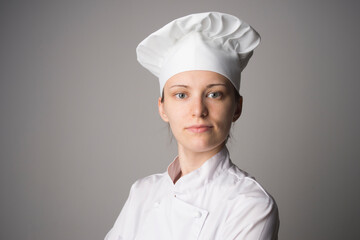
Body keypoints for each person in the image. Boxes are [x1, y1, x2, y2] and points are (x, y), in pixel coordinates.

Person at [105, 12, 279, 240]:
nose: (198, 110)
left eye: (214, 94)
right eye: (181, 94)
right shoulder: (142, 193)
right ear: (162, 108)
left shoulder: (251, 204)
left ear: (236, 107)